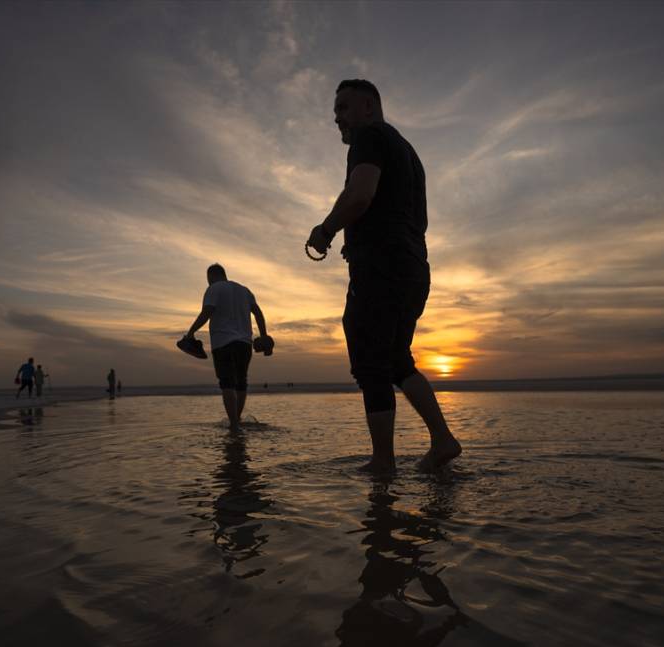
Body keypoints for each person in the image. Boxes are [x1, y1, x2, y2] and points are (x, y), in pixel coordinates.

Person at [305, 79, 461, 474]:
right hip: (412, 268)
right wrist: (367, 238)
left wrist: (325, 231)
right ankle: (442, 441)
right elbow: (416, 220)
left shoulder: (369, 136)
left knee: (370, 363)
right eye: (336, 109)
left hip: (381, 268)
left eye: (343, 107)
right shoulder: (408, 152)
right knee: (395, 359)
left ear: (369, 107)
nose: (337, 117)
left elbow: (360, 194)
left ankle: (383, 461)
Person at [184, 263, 270, 429]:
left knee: (227, 382)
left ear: (211, 276)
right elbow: (258, 312)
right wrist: (264, 335)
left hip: (222, 342)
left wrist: (190, 332)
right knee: (241, 382)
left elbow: (207, 312)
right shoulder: (244, 290)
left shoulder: (214, 289)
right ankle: (236, 421)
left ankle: (234, 424)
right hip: (245, 343)